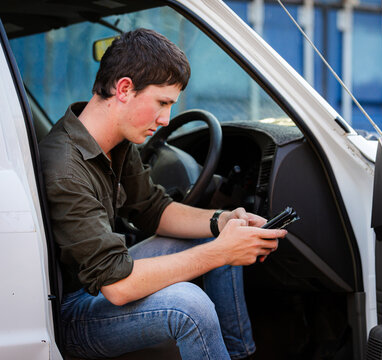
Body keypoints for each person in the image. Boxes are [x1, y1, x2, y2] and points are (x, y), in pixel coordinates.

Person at [39, 28, 286, 360]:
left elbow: (154, 210)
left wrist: (223, 221)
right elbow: (117, 286)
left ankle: (237, 354)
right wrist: (221, 252)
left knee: (228, 235)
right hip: (69, 316)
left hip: (96, 284)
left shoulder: (115, 141)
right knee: (190, 305)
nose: (165, 119)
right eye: (162, 103)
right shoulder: (66, 168)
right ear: (124, 88)